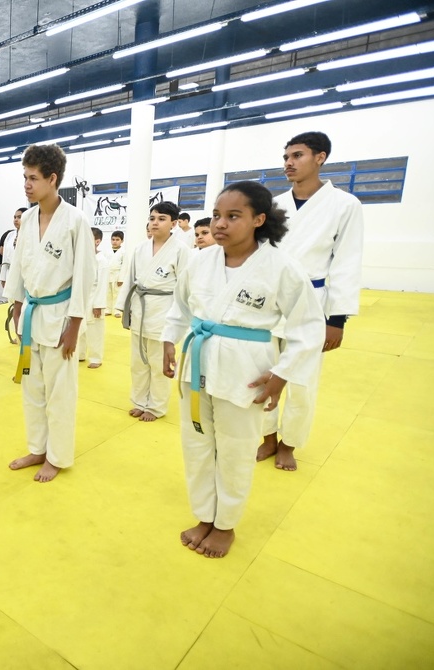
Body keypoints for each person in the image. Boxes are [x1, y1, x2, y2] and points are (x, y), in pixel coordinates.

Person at [161, 181, 324, 558]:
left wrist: (282, 374)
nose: (220, 223)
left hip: (247, 370)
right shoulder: (200, 261)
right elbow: (181, 307)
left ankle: (225, 525)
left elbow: (307, 327)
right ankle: (204, 515)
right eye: (217, 215)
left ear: (258, 220)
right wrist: (170, 340)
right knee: (197, 444)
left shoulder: (281, 268)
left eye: (233, 216)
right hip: (198, 362)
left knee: (235, 451)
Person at [258, 131, 364, 471]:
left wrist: (338, 319)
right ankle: (268, 437)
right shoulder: (274, 205)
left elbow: (348, 261)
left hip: (312, 302)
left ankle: (289, 443)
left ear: (321, 157)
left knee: (302, 382)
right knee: (263, 373)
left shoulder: (345, 205)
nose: (289, 163)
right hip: (269, 301)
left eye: (298, 155)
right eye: (286, 157)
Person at [5, 144, 95, 482]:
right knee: (32, 388)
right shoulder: (27, 219)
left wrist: (75, 326)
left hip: (60, 316)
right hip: (31, 312)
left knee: (60, 393)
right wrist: (16, 306)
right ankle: (37, 448)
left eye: (32, 178)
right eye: (24, 177)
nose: (26, 184)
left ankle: (56, 457)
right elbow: (18, 267)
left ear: (52, 179)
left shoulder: (75, 221)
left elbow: (85, 276)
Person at [116, 201, 191, 422]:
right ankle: (139, 401)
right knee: (138, 362)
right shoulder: (140, 248)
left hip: (164, 311)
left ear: (174, 223)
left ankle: (156, 407)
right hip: (140, 308)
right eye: (152, 218)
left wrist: (181, 318)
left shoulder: (181, 250)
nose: (155, 223)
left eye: (161, 219)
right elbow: (131, 279)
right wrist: (123, 307)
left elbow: (185, 287)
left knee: (159, 363)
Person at [78, 227, 108, 369]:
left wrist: (99, 304)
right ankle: (80, 354)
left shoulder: (101, 260)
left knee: (94, 330)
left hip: (94, 298)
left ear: (97, 241)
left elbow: (102, 285)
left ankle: (96, 357)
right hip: (81, 298)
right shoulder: (81, 258)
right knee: (79, 327)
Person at [0, 208, 24, 289]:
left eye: (19, 217)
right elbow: (5, 258)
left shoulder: (31, 236)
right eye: (15, 217)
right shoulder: (10, 235)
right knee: (11, 300)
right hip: (10, 273)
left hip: (23, 275)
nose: (16, 220)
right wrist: (3, 278)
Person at [107, 230, 125, 317]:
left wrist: (121, 278)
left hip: (118, 274)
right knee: (108, 292)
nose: (115, 241)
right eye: (113, 239)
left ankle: (117, 311)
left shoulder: (123, 252)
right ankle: (108, 309)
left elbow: (125, 266)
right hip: (108, 274)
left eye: (117, 240)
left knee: (117, 293)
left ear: (122, 241)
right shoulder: (106, 251)